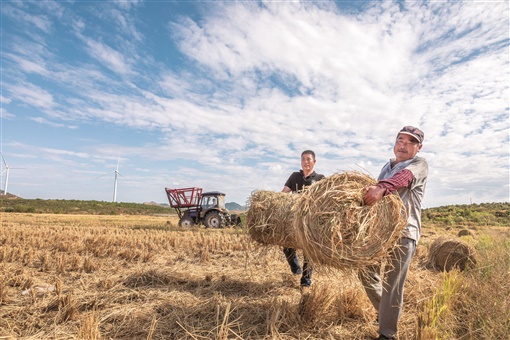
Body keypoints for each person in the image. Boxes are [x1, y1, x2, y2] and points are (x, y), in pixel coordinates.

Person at [360, 126, 428, 340]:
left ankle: (387, 334)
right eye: (400, 139)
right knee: (364, 271)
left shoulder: (419, 164)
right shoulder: (386, 166)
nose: (403, 145)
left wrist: (381, 188)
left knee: (392, 284)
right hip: (380, 233)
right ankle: (385, 313)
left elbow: (404, 178)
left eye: (410, 142)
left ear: (419, 148)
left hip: (404, 232)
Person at [281, 150, 325, 290]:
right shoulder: (294, 176)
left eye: (309, 159)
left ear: (314, 161)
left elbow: (325, 198)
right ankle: (296, 269)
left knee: (309, 251)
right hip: (294, 219)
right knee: (287, 247)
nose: (306, 162)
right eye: (303, 159)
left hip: (310, 221)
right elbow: (284, 193)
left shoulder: (320, 178)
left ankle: (305, 280)